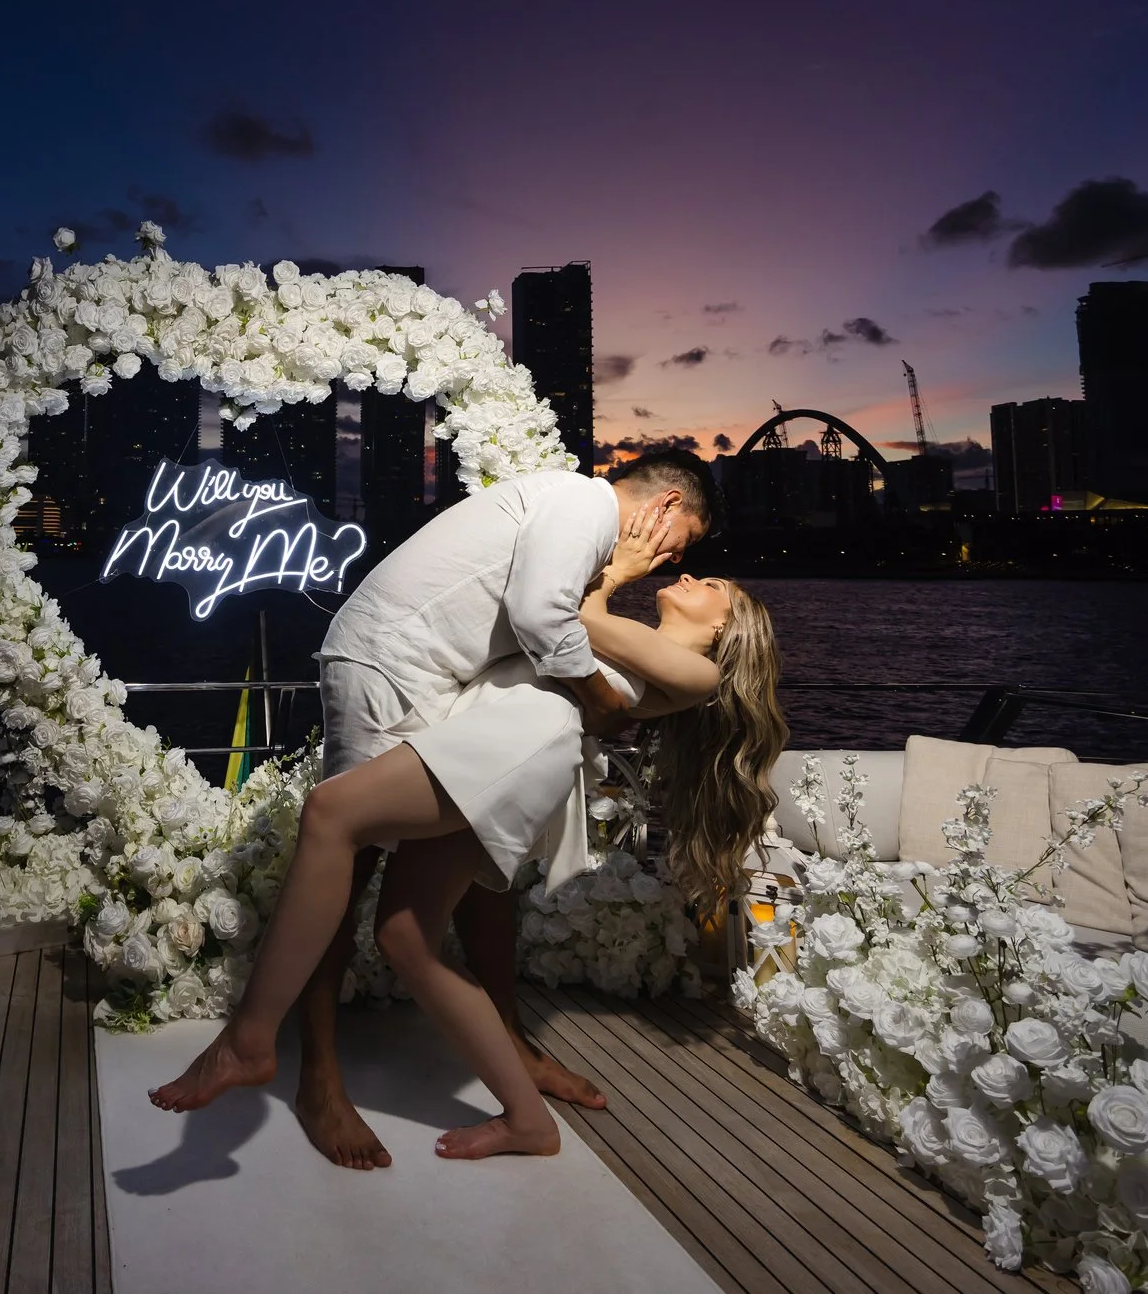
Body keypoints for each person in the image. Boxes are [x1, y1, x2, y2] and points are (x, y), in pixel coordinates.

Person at [151, 452, 782, 1161]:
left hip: (509, 747)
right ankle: (526, 1119)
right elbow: (555, 621)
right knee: (404, 934)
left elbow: (568, 619)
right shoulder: (579, 508)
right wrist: (613, 594)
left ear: (726, 634)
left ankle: (251, 1039)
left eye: (699, 570)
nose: (678, 564)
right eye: (685, 543)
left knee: (333, 818)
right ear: (664, 504)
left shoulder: (691, 666)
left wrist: (616, 584)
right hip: (476, 726)